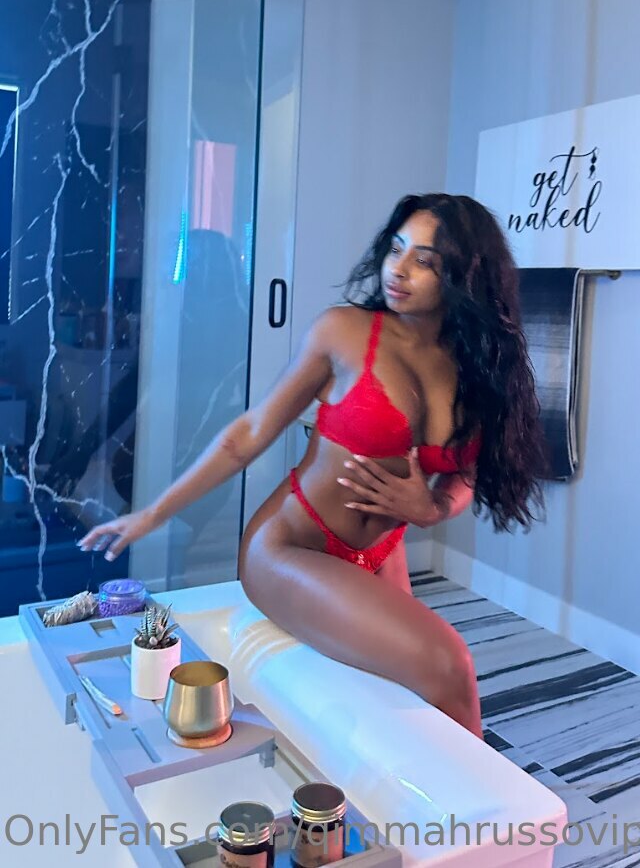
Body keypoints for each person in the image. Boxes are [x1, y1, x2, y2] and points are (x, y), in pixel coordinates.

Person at [78, 193, 548, 739]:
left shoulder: (478, 368)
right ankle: (480, 796)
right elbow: (249, 432)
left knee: (412, 689)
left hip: (381, 552)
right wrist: (152, 514)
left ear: (466, 278)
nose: (398, 269)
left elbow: (466, 470)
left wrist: (434, 507)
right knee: (448, 663)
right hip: (291, 546)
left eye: (424, 260)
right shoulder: (344, 332)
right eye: (395, 249)